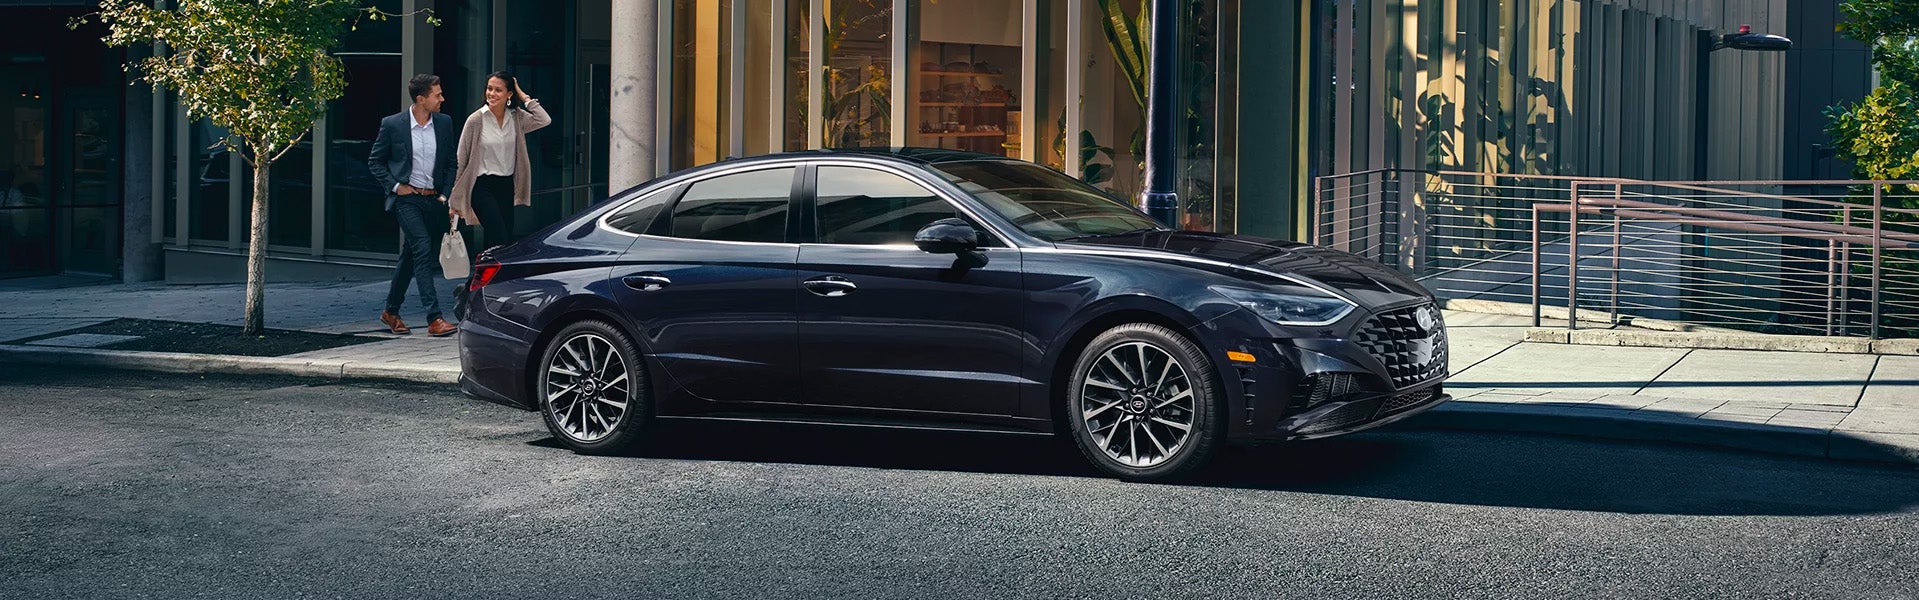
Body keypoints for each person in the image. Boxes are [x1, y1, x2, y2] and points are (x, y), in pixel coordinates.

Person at [368, 74, 460, 337]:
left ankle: (390, 311)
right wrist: (396, 187)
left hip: (434, 200)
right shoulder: (393, 125)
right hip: (406, 200)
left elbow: (451, 162)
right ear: (421, 99)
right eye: (437, 95)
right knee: (421, 249)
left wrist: (444, 195)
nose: (442, 99)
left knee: (410, 255)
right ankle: (434, 318)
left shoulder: (444, 123)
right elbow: (375, 162)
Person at [450, 71, 551, 252]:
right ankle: (481, 279)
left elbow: (544, 120)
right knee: (499, 235)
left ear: (509, 94)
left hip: (506, 185)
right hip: (481, 186)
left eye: (498, 90)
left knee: (501, 239)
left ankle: (482, 280)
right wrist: (455, 199)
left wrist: (523, 95)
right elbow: (461, 158)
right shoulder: (476, 120)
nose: (492, 93)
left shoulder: (517, 117)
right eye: (489, 89)